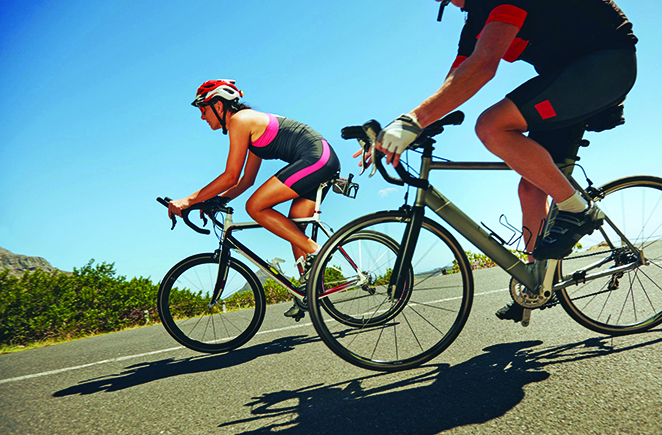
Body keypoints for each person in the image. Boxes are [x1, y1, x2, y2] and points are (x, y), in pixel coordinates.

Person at [373, 0, 637, 321]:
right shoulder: (474, 22)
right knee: (531, 188)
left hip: (605, 63)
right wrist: (411, 128)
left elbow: (483, 66)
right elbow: (457, 78)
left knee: (491, 126)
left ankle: (578, 210)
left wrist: (413, 121)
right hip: (567, 75)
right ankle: (536, 282)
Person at [168, 79, 341, 317]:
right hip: (321, 158)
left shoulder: (240, 120)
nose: (202, 116)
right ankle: (307, 292)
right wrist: (216, 201)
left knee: (255, 206)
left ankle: (317, 251)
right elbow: (245, 180)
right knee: (295, 225)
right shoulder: (249, 125)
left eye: (203, 109)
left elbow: (230, 176)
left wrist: (188, 200)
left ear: (218, 106)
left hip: (316, 158)